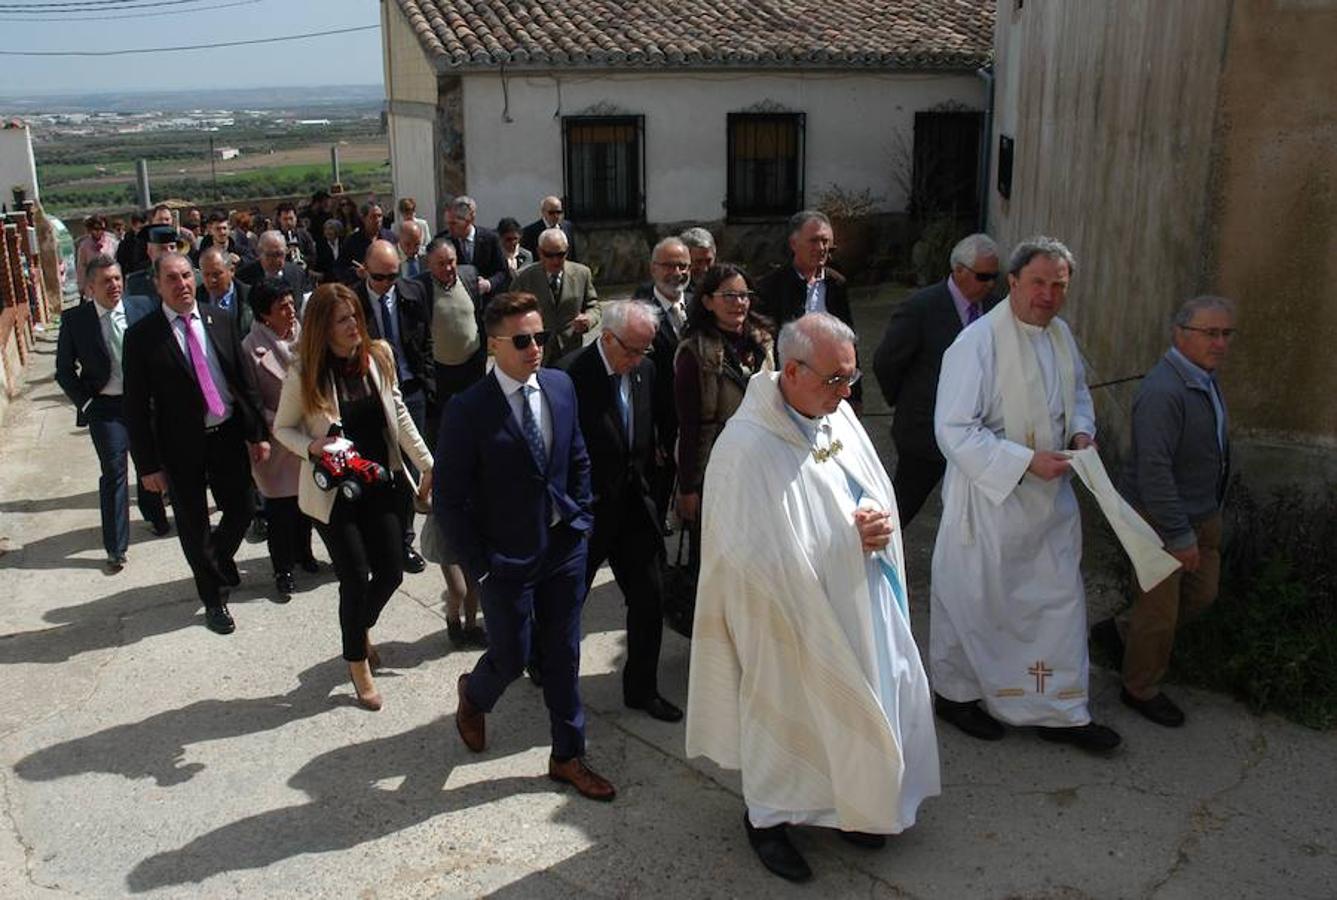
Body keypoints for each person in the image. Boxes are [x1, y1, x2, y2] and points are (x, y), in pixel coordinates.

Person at [686, 313, 940, 882]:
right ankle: (768, 818)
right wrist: (849, 542)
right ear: (793, 371)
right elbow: (745, 558)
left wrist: (877, 518)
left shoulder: (837, 413)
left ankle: (847, 805)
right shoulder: (745, 446)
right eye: (835, 379)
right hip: (785, 618)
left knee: (860, 699)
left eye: (851, 379)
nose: (847, 392)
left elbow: (871, 487)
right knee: (788, 713)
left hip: (856, 599)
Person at [930, 236, 1121, 752]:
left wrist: (1081, 432)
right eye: (1038, 282)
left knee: (1057, 602)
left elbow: (1077, 394)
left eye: (1059, 285)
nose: (1048, 294)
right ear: (1013, 283)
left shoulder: (1060, 337)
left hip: (1049, 502)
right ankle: (958, 697)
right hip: (991, 505)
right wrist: (1023, 462)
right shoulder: (976, 344)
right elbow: (953, 429)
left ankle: (1059, 709)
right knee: (978, 602)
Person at [436, 292, 614, 802]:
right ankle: (474, 695)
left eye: (540, 336)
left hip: (564, 546)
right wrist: (482, 569)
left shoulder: (559, 386)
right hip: (505, 558)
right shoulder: (467, 410)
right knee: (511, 656)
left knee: (563, 653)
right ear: (493, 346)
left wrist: (581, 518)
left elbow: (577, 454)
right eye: (522, 340)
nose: (536, 347)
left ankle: (568, 756)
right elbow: (449, 500)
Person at [272, 284, 433, 709]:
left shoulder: (378, 356)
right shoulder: (305, 370)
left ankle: (358, 627)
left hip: (381, 481)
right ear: (323, 328)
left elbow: (398, 413)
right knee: (354, 576)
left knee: (392, 572)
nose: (353, 327)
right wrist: (313, 447)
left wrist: (428, 463)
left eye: (356, 317)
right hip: (334, 494)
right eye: (343, 320)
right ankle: (357, 661)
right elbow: (283, 428)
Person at [1091, 296, 1236, 727]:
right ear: (1181, 334)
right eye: (1211, 333)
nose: (1221, 343)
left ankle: (1118, 632)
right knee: (1159, 612)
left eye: (1227, 333)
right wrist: (1178, 533)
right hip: (1163, 520)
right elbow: (1154, 471)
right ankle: (1140, 688)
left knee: (1202, 593)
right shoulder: (1164, 390)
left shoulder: (1203, 379)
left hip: (1201, 513)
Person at [122, 253, 269, 636]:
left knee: (242, 508)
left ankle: (216, 559)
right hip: (179, 446)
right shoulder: (142, 337)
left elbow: (242, 381)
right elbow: (135, 408)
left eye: (187, 276)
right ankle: (214, 599)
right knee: (194, 525)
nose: (182, 284)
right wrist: (148, 466)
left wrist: (257, 433)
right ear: (157, 285)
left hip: (226, 435)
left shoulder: (216, 319)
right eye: (172, 278)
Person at [558, 300, 682, 722]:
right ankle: (547, 667)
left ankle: (641, 688)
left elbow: (655, 434)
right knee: (566, 603)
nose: (637, 359)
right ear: (606, 338)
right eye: (631, 350)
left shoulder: (645, 370)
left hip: (634, 507)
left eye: (644, 350)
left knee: (649, 597)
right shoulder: (569, 375)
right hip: (587, 513)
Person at [873, 233, 1001, 525]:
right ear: (959, 270)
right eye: (983, 276)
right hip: (925, 433)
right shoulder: (920, 308)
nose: (991, 283)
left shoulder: (996, 308)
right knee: (902, 506)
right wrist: (907, 402)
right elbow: (886, 362)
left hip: (979, 434)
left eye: (995, 276)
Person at [55, 255, 169, 570]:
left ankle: (157, 519)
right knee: (115, 471)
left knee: (150, 462)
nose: (114, 285)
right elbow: (64, 372)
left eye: (117, 279)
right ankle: (116, 547)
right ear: (90, 288)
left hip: (144, 403)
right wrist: (88, 405)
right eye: (106, 281)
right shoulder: (76, 320)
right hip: (106, 408)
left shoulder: (143, 307)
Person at [674, 264, 775, 561]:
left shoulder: (764, 343)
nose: (738, 303)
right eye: (729, 295)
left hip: (761, 462)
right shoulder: (694, 352)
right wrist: (688, 487)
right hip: (714, 466)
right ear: (707, 301)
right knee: (714, 555)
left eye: (744, 295)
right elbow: (689, 424)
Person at [418, 236, 486, 645]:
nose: (448, 268)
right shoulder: (419, 289)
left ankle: (472, 626)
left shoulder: (470, 277)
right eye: (441, 263)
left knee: (475, 582)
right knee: (459, 587)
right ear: (428, 264)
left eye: (452, 262)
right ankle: (454, 620)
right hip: (441, 380)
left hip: (470, 370)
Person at [356, 239, 433, 574]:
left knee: (408, 472)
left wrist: (427, 381)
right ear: (365, 271)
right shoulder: (352, 302)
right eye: (380, 277)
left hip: (410, 389)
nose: (388, 284)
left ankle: (404, 540)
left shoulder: (412, 292)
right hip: (370, 395)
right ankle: (375, 539)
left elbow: (425, 340)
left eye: (393, 275)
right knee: (376, 470)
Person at [241, 278, 318, 599]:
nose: (290, 311)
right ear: (264, 315)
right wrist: (282, 425)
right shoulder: (250, 348)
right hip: (276, 440)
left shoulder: (307, 335)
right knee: (281, 510)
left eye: (291, 303)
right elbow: (252, 400)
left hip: (310, 435)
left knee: (307, 503)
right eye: (281, 307)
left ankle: (305, 553)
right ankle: (283, 570)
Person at [755, 210, 862, 409]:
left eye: (825, 241)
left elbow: (848, 338)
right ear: (794, 244)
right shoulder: (772, 286)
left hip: (831, 382)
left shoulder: (835, 283)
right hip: (789, 384)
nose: (821, 248)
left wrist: (856, 395)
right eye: (814, 241)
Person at [632, 237, 691, 527]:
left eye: (683, 265)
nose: (678, 272)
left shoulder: (700, 304)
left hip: (696, 420)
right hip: (659, 422)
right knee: (656, 495)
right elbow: (634, 378)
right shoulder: (639, 312)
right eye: (669, 266)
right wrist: (649, 432)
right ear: (653, 269)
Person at [509, 227, 599, 365]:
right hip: (537, 352)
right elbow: (510, 313)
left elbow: (593, 306)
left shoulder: (582, 274)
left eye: (560, 254)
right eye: (549, 255)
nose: (555, 260)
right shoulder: (524, 277)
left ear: (567, 251)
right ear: (539, 252)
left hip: (570, 350)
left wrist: (588, 319)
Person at [443, 195, 507, 296]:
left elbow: (502, 272)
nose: (449, 228)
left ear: (469, 219)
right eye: (447, 223)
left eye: (454, 223)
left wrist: (488, 284)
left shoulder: (490, 239)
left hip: (487, 302)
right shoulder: (444, 242)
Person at [237, 230, 310, 299]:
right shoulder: (243, 277)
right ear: (259, 252)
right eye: (271, 255)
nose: (276, 259)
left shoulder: (297, 273)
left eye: (280, 254)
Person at [197, 247, 253, 334]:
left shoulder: (251, 296)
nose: (212, 280)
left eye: (217, 274)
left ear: (231, 270)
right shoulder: (195, 299)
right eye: (207, 275)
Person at [341, 202, 396, 282]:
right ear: (364, 219)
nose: (377, 220)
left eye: (380, 216)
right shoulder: (352, 241)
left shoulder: (390, 237)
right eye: (373, 217)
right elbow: (339, 268)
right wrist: (356, 273)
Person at [520, 195, 577, 263]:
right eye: (551, 213)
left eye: (558, 212)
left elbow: (572, 253)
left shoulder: (568, 227)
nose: (555, 216)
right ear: (543, 212)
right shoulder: (530, 232)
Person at [75, 215, 118, 301]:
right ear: (90, 229)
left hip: (109, 280)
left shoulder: (112, 242)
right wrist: (81, 286)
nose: (99, 232)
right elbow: (81, 267)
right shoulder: (84, 245)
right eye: (96, 229)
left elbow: (117, 262)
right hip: (93, 283)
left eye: (102, 229)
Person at [275, 201, 316, 271]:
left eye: (291, 218)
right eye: (285, 219)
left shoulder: (304, 234)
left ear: (296, 218)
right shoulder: (274, 236)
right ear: (279, 219)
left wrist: (300, 257)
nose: (288, 222)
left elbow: (313, 255)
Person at [496, 216, 533, 286]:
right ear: (500, 238)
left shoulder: (526, 256)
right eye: (508, 239)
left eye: (515, 239)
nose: (512, 243)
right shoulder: (495, 255)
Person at [315, 218, 346, 284]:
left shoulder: (344, 242)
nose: (328, 232)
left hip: (343, 278)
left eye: (331, 229)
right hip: (327, 279)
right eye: (325, 229)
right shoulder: (320, 245)